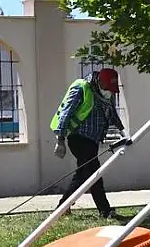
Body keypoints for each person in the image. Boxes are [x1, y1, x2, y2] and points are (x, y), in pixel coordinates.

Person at [50, 68, 126, 219]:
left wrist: (123, 131)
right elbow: (67, 112)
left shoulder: (107, 93)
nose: (109, 92)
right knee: (91, 173)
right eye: (107, 88)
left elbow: (112, 113)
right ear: (99, 82)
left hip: (93, 140)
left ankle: (63, 208)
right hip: (78, 138)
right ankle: (103, 210)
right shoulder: (82, 87)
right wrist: (60, 140)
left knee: (86, 174)